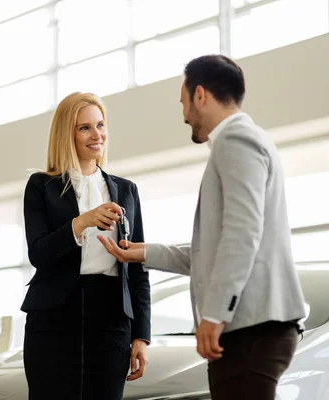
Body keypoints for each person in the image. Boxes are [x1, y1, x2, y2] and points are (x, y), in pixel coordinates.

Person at [98, 55, 306, 400]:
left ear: (199, 95)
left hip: (251, 329)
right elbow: (213, 250)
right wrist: (144, 252)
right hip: (251, 328)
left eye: (183, 102)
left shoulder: (237, 140)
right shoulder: (241, 141)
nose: (184, 116)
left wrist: (214, 313)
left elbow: (242, 234)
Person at [21, 92, 151, 400]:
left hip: (110, 318)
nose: (97, 135)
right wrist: (82, 222)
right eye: (84, 128)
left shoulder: (126, 190)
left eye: (101, 125)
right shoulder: (41, 186)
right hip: (53, 317)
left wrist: (141, 336)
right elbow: (39, 253)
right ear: (67, 134)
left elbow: (137, 267)